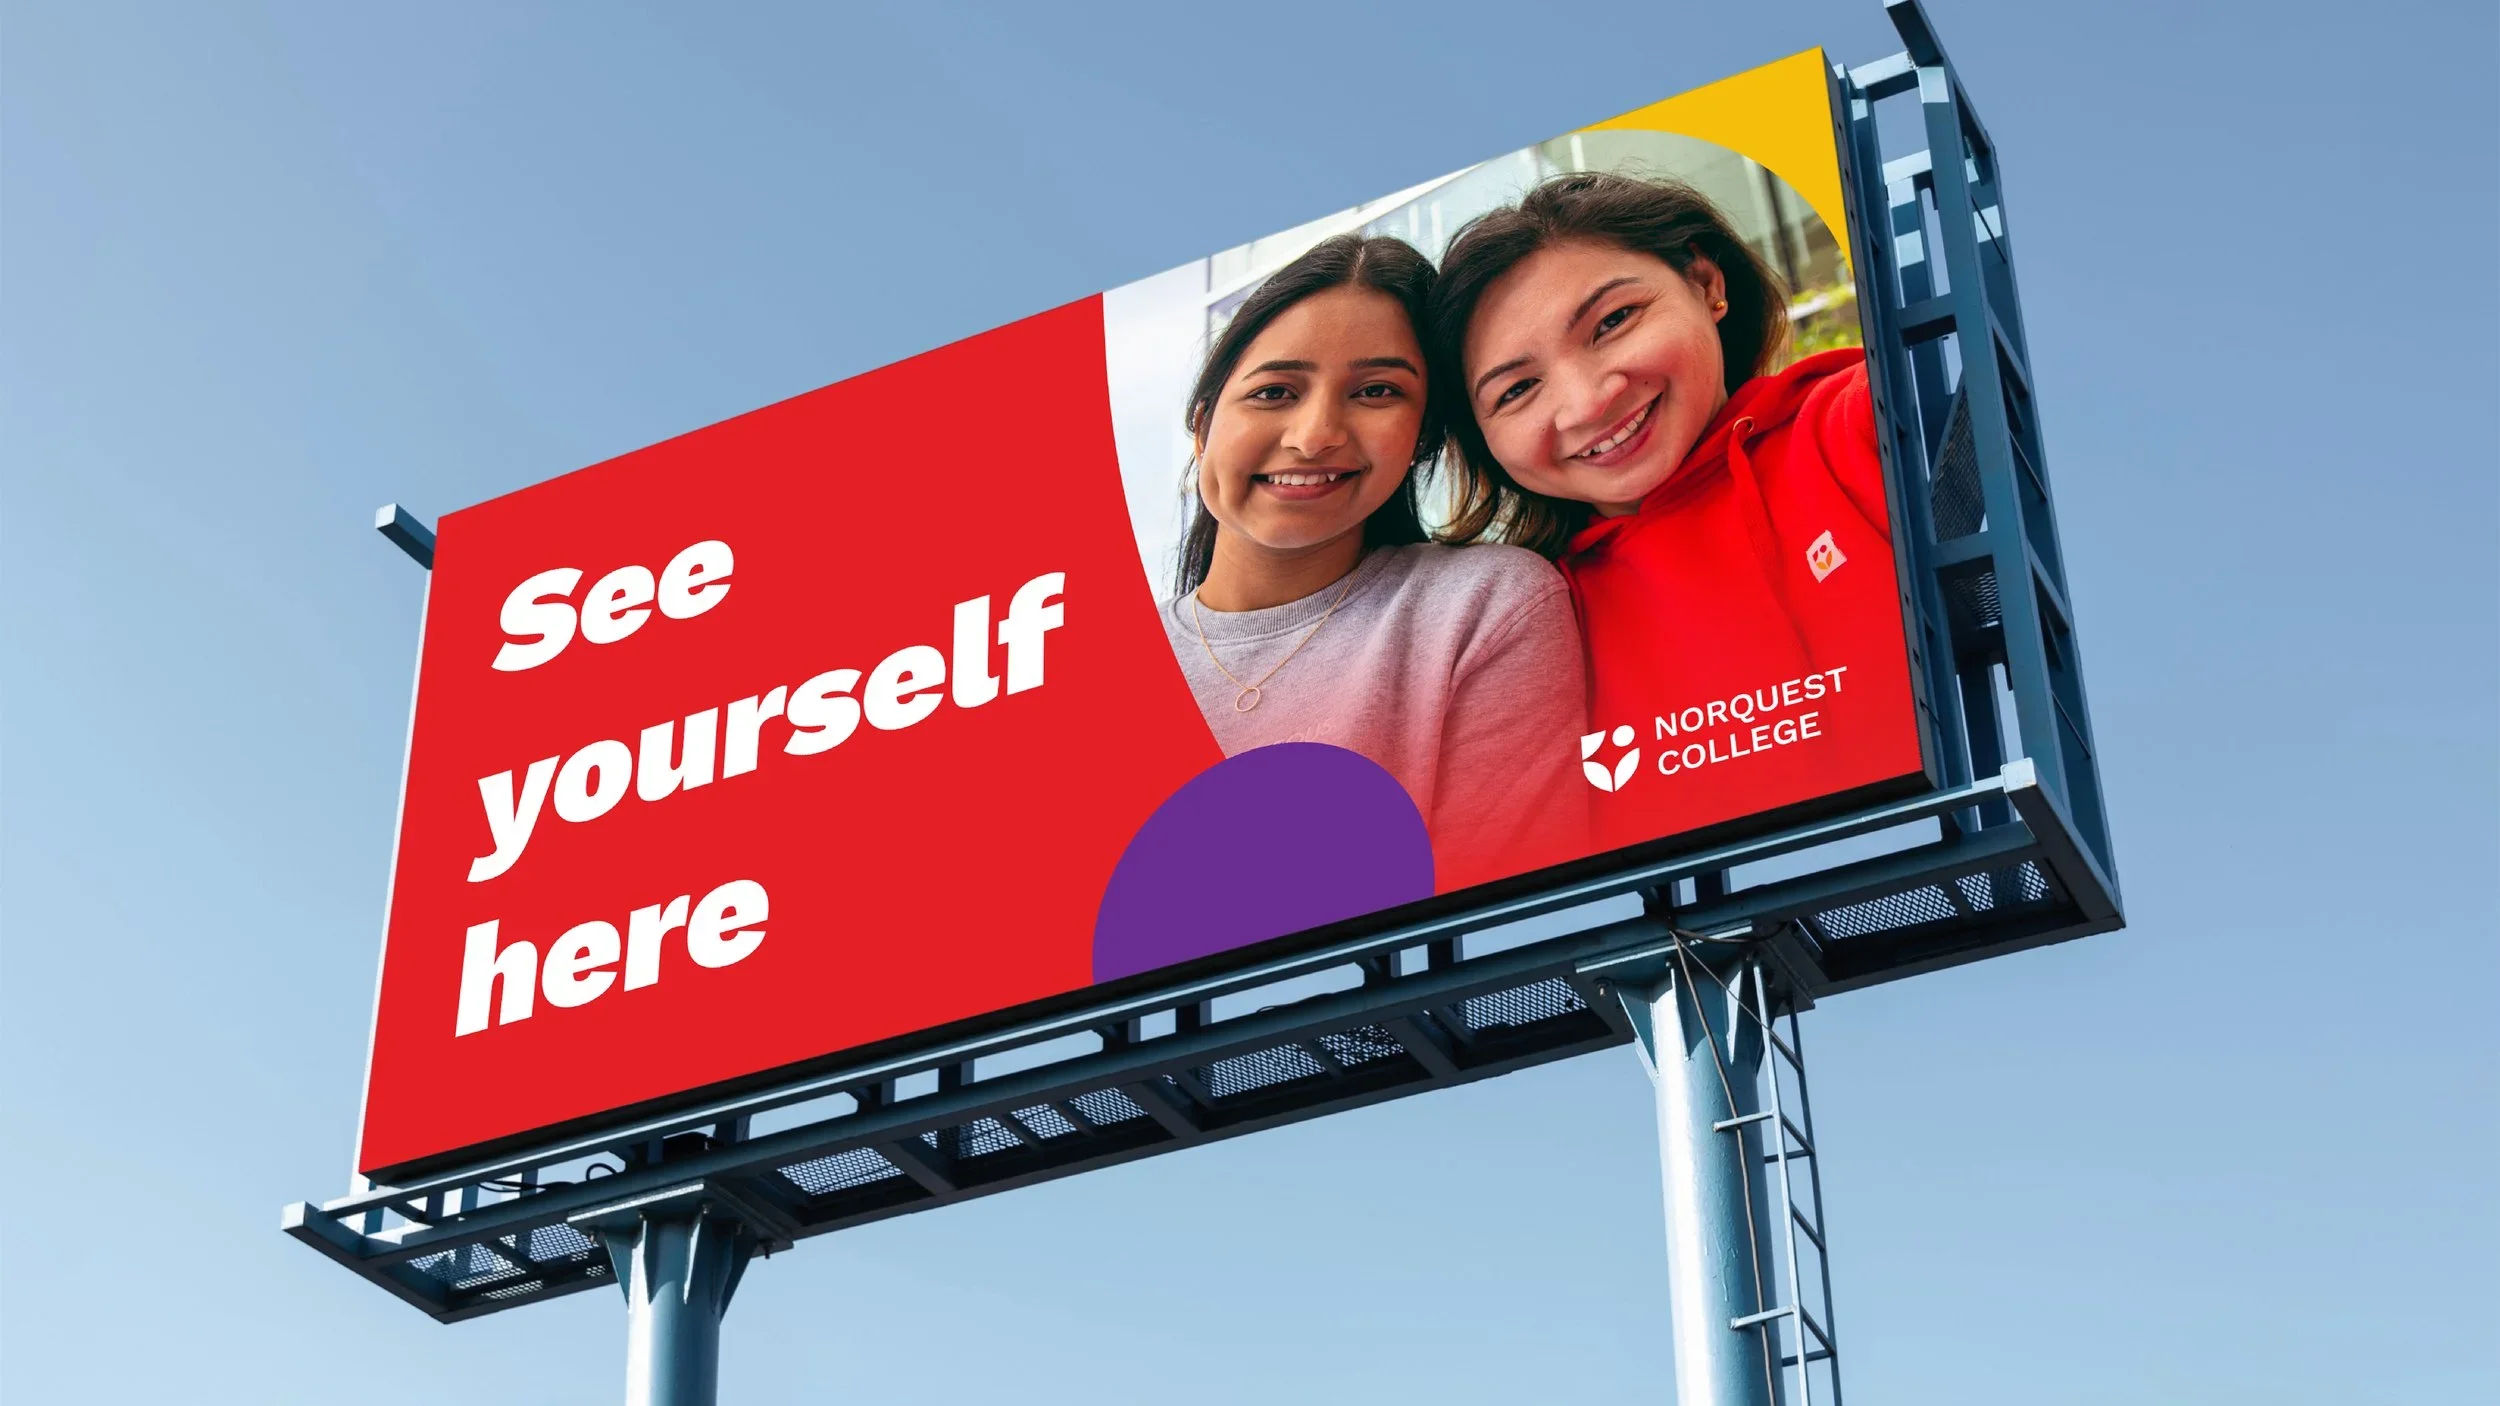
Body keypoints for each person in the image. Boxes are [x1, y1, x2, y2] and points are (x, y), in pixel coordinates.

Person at [1427, 172, 1922, 849]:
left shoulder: (1858, 422)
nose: (1587, 402)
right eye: (1517, 390)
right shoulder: (1520, 622)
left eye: (1613, 321)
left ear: (1706, 284)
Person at [1161, 232, 1588, 890]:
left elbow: (1507, 923)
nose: (1314, 437)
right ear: (1201, 426)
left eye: (1377, 391)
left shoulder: (1484, 606)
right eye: (1274, 392)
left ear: (1421, 439)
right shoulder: (1085, 670)